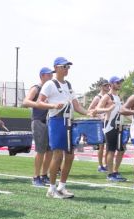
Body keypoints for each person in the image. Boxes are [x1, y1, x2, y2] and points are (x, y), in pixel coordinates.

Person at [37, 57, 95, 198]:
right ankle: (51, 189)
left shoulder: (68, 85)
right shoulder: (50, 84)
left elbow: (76, 106)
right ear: (56, 68)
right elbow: (39, 102)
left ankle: (62, 186)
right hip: (57, 121)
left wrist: (88, 112)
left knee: (70, 155)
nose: (67, 69)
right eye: (64, 66)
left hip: (69, 122)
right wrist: (52, 106)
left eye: (68, 67)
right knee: (57, 155)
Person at [22, 67, 54, 187]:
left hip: (50, 122)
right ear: (42, 76)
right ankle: (36, 177)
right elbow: (25, 102)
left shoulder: (51, 89)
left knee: (50, 151)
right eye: (49, 75)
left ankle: (44, 175)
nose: (51, 77)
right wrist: (39, 104)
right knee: (40, 151)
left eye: (52, 75)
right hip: (38, 121)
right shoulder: (36, 88)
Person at [95, 76, 127, 182]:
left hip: (119, 125)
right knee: (111, 150)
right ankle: (110, 174)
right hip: (110, 126)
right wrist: (108, 109)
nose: (119, 84)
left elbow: (121, 111)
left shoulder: (118, 97)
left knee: (122, 149)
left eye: (120, 83)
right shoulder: (107, 96)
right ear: (111, 84)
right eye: (117, 82)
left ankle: (115, 171)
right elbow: (97, 109)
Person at [88, 79, 110, 172]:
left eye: (108, 85)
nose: (107, 87)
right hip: (100, 123)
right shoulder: (98, 97)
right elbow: (89, 110)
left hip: (108, 122)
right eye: (105, 86)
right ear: (101, 86)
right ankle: (100, 165)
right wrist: (100, 115)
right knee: (101, 145)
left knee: (108, 144)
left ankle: (107, 164)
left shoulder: (109, 96)